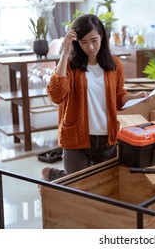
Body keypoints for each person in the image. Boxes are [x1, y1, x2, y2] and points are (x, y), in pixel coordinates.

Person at [42, 14, 148, 181]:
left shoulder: (114, 64)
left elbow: (119, 97)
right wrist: (64, 54)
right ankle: (53, 174)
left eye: (94, 40)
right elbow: (56, 95)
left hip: (106, 138)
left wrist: (136, 97)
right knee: (81, 186)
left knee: (104, 184)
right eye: (84, 42)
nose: (90, 47)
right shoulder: (69, 65)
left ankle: (57, 176)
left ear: (102, 36)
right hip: (76, 138)